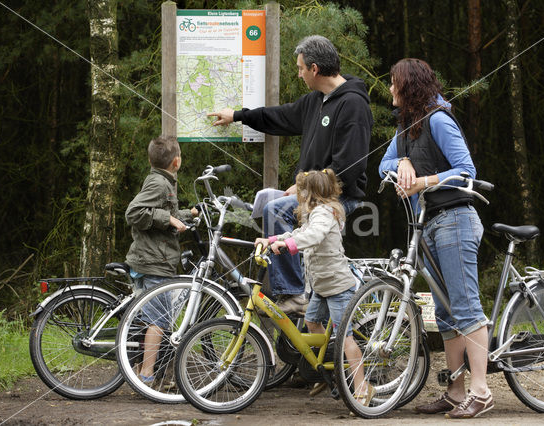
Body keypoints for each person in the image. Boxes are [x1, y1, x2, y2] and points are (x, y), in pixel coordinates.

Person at [209, 35, 372, 315]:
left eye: (300, 68)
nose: (299, 74)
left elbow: (349, 165)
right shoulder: (316, 101)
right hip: (312, 194)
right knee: (266, 208)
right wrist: (237, 115)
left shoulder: (353, 105)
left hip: (337, 197)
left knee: (276, 212)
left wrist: (305, 188)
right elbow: (279, 117)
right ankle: (298, 292)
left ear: (315, 69)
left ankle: (293, 294)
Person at [378, 58, 493, 419]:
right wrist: (402, 164)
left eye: (393, 82)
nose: (389, 89)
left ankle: (481, 391)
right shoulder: (405, 128)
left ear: (408, 85)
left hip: (455, 219)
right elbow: (382, 164)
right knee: (444, 314)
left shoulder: (438, 119)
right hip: (428, 227)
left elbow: (467, 171)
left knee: (465, 307)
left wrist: (424, 181)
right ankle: (456, 392)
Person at [255, 169, 374, 404]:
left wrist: (287, 245)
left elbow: (314, 236)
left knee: (345, 337)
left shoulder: (325, 213)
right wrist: (272, 240)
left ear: (311, 193)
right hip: (320, 286)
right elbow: (301, 232)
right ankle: (329, 368)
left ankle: (362, 387)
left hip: (337, 285)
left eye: (301, 192)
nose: (298, 197)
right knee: (311, 322)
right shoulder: (313, 213)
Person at [125, 135, 197, 384]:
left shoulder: (161, 181)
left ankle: (142, 370)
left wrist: (190, 213)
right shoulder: (158, 184)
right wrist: (168, 220)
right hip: (154, 261)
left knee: (152, 317)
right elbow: (134, 212)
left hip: (154, 258)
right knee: (160, 320)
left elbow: (167, 212)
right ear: (176, 161)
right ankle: (146, 375)